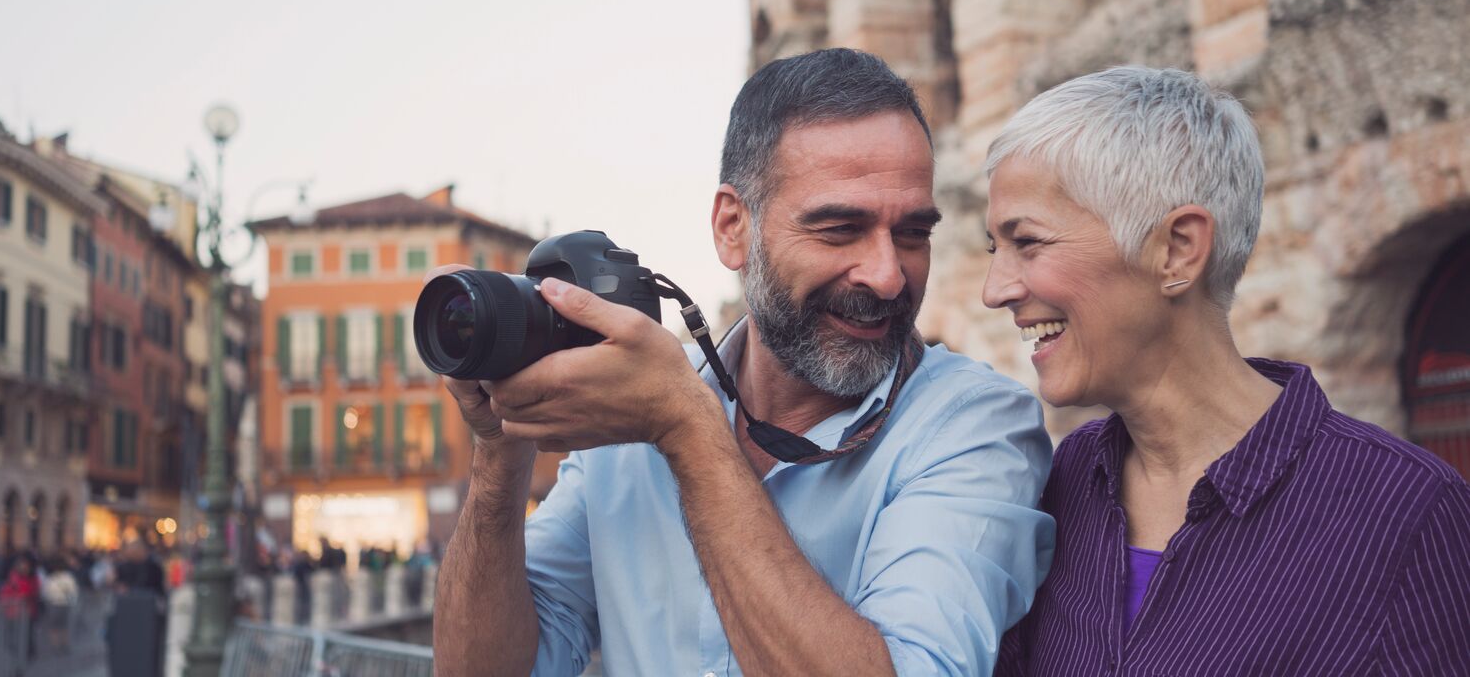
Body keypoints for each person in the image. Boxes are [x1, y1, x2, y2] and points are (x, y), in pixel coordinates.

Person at [433, 49, 1054, 676]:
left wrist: (685, 429)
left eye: (913, 234)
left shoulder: (976, 426)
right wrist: (500, 449)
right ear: (734, 228)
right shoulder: (624, 420)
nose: (888, 276)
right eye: (839, 229)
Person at [985, 67, 1470, 674]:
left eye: (1027, 242)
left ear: (1178, 249)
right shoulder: (1063, 484)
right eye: (992, 249)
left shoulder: (1404, 513)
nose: (994, 289)